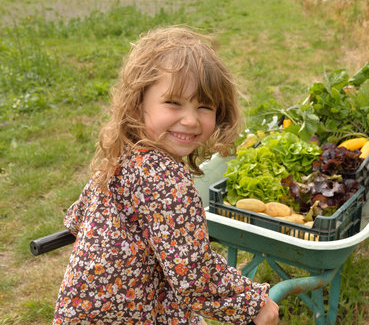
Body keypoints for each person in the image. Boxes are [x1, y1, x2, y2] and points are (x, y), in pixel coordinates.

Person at [53, 26, 279, 325]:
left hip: (90, 311)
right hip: (130, 314)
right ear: (138, 103)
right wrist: (254, 303)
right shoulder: (167, 182)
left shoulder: (125, 152)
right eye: (173, 103)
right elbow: (194, 281)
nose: (190, 120)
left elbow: (79, 215)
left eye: (204, 106)